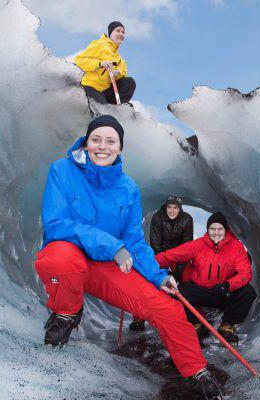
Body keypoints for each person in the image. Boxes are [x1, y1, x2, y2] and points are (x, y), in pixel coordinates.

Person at [34, 115, 221, 399]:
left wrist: (159, 276)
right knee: (59, 258)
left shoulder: (128, 189)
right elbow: (56, 225)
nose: (102, 146)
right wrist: (111, 245)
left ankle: (196, 370)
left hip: (106, 268)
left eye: (111, 141)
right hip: (70, 257)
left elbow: (133, 241)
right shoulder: (62, 170)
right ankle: (67, 313)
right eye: (96, 139)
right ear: (86, 142)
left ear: (120, 147)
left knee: (166, 308)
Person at [155, 212, 257, 344]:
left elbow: (246, 273)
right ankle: (197, 324)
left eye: (220, 229)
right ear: (208, 230)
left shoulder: (236, 247)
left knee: (248, 292)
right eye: (212, 229)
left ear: (226, 230)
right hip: (200, 291)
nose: (216, 232)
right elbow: (170, 256)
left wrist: (228, 285)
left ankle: (227, 325)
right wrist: (147, 264)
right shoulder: (198, 245)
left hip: (223, 291)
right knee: (178, 291)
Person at [129, 195, 194, 332]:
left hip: (179, 258)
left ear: (180, 209)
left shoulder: (187, 219)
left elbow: (186, 245)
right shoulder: (158, 217)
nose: (172, 211)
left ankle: (186, 317)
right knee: (149, 283)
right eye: (169, 207)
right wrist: (162, 265)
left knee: (184, 284)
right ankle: (139, 317)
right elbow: (155, 242)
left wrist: (179, 269)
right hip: (160, 256)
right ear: (165, 207)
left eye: (175, 208)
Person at [74, 21, 136, 104]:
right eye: (118, 31)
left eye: (123, 32)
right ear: (110, 33)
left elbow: (123, 72)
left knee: (130, 82)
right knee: (102, 108)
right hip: (91, 86)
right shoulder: (100, 44)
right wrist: (100, 64)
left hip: (105, 90)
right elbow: (79, 60)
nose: (121, 34)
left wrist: (117, 73)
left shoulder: (120, 59)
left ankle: (115, 108)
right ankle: (104, 112)